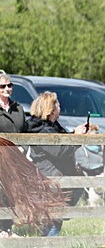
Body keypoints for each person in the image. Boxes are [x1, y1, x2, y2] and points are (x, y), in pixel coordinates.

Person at [25, 91, 95, 236]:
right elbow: (60, 151)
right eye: (57, 104)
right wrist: (77, 138)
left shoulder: (50, 126)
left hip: (56, 174)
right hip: (50, 175)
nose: (59, 106)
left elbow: (60, 144)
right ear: (51, 109)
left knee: (58, 210)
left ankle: (49, 244)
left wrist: (75, 134)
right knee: (55, 211)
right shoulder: (42, 129)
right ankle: (47, 246)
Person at [0, 70, 28, 237]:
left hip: (15, 157)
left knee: (12, 191)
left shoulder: (18, 107)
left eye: (9, 85)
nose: (7, 89)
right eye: (2, 86)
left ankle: (7, 228)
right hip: (0, 155)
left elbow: (25, 129)